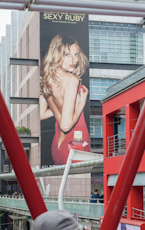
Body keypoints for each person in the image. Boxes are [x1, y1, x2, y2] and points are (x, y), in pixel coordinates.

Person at [40, 33, 90, 165]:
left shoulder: (46, 80)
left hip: (57, 145)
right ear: (56, 55)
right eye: (67, 55)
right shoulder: (71, 80)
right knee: (82, 185)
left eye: (76, 54)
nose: (73, 60)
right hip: (75, 143)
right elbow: (66, 126)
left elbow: (41, 114)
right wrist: (80, 105)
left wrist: (70, 105)